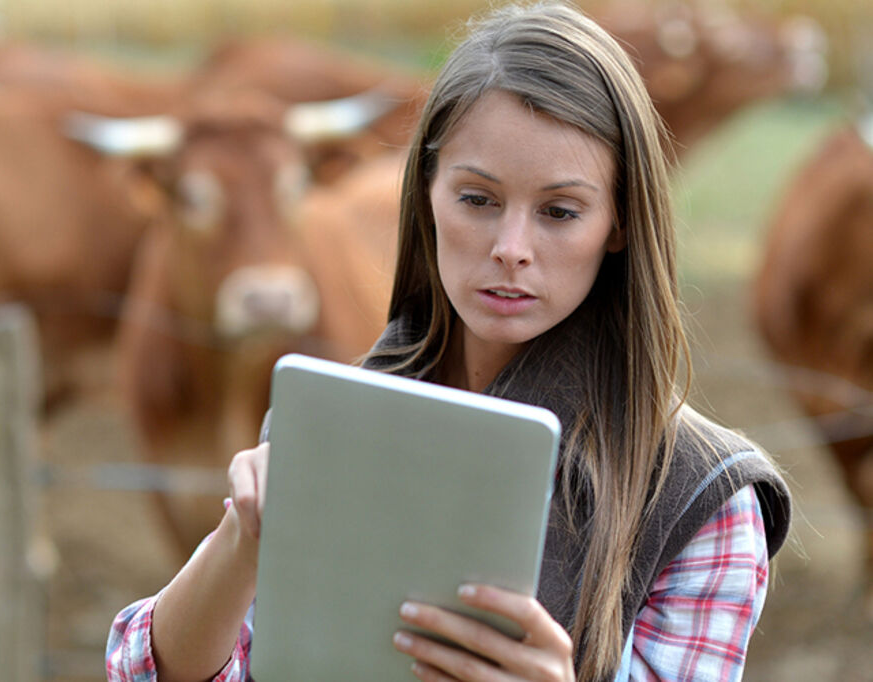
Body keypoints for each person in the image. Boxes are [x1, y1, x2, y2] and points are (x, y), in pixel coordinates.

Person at [106, 2, 791, 681]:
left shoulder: (705, 497)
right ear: (426, 194)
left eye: (559, 211)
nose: (510, 249)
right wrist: (241, 540)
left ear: (619, 223)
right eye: (477, 199)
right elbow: (140, 670)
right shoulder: (334, 415)